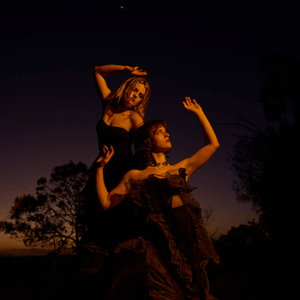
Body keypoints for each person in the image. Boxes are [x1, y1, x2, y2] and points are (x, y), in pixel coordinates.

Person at [95, 97, 220, 300]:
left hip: (187, 237)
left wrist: (199, 113)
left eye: (165, 131)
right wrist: (99, 169)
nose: (167, 134)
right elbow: (106, 203)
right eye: (160, 132)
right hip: (159, 241)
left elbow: (213, 145)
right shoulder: (135, 175)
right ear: (148, 141)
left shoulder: (180, 169)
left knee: (196, 288)